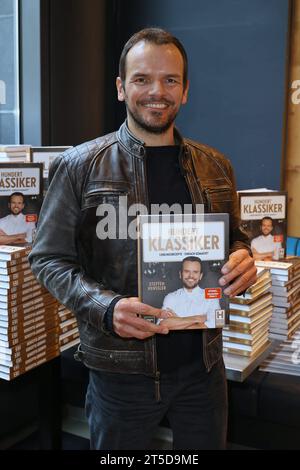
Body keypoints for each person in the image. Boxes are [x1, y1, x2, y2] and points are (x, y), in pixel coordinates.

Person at [29, 28, 257, 450]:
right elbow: (47, 258)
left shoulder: (216, 167)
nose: (158, 91)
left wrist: (243, 259)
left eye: (171, 80)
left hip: (203, 371)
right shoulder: (80, 166)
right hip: (120, 373)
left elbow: (236, 242)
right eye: (142, 79)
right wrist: (106, 306)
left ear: (185, 90)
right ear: (121, 87)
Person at [161, 256, 219, 329]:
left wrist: (178, 320)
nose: (191, 276)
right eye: (187, 271)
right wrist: (198, 319)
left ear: (200, 276)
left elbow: (217, 325)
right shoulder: (170, 297)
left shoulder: (212, 297)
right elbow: (163, 325)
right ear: (180, 274)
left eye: (195, 272)